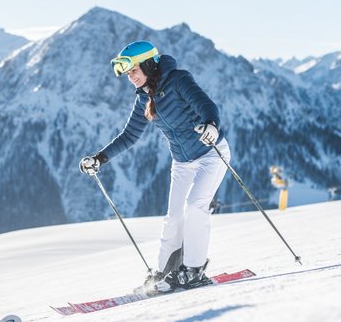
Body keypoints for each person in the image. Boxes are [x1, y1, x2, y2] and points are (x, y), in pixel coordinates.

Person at [79, 40, 231, 294]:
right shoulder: (143, 98)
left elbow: (206, 105)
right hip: (182, 162)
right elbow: (130, 135)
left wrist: (211, 126)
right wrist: (100, 158)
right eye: (127, 73)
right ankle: (164, 271)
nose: (130, 78)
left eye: (133, 71)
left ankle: (193, 270)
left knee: (195, 206)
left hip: (210, 154)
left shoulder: (178, 80)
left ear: (148, 65)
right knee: (173, 217)